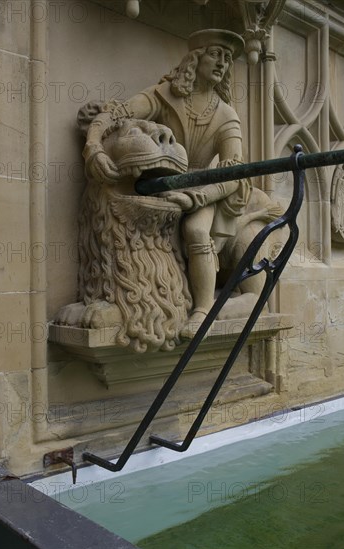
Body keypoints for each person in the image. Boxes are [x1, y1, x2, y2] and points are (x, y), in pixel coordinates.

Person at [82, 29, 251, 337]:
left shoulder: (227, 115)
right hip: (167, 182)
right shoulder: (164, 94)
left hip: (206, 190)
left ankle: (202, 309)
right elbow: (116, 113)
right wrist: (93, 146)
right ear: (194, 59)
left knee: (195, 229)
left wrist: (197, 197)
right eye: (215, 55)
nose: (222, 64)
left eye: (227, 59)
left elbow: (234, 172)